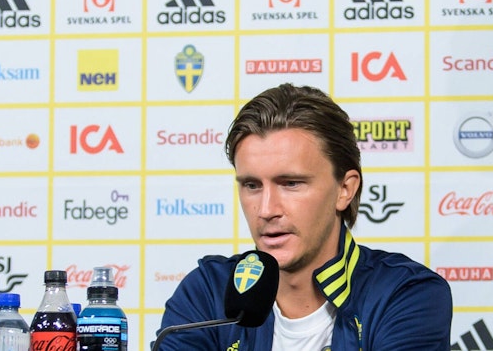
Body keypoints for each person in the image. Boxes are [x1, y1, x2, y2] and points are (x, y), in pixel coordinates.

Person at [158, 83, 453, 351]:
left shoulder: (406, 295)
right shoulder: (208, 292)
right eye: (252, 185)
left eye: (291, 183)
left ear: (345, 190)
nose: (266, 209)